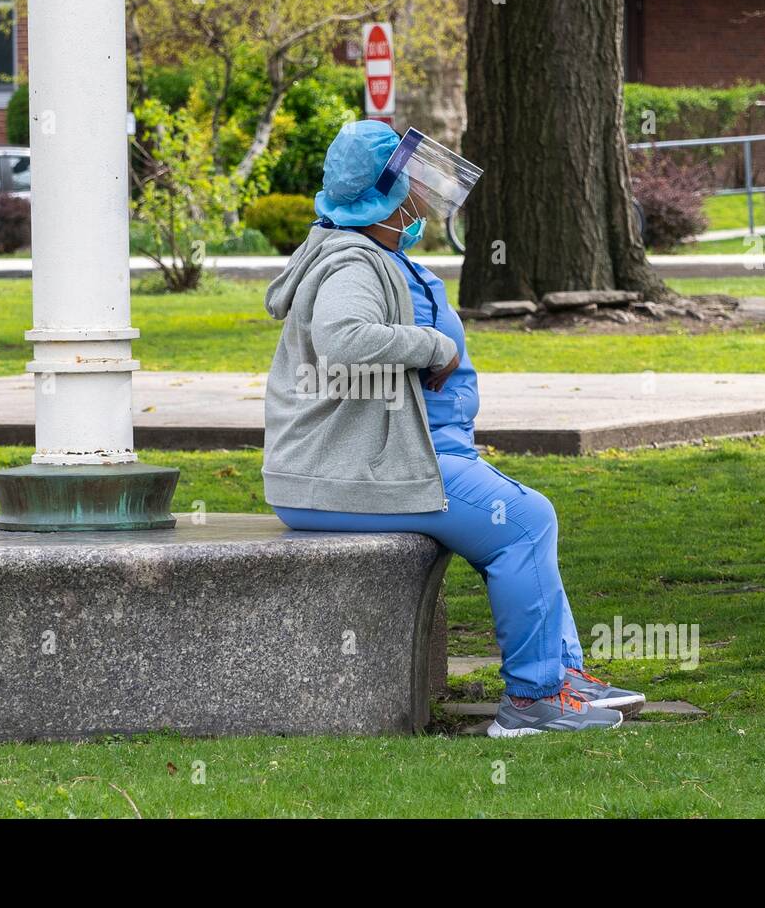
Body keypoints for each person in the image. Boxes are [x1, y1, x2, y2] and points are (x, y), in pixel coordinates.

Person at [262, 120, 643, 736]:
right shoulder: (353, 263)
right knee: (525, 521)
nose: (421, 196)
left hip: (390, 457)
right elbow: (342, 339)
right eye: (411, 182)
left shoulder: (374, 252)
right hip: (352, 471)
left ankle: (560, 677)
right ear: (386, 195)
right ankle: (532, 700)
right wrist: (433, 345)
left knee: (523, 515)